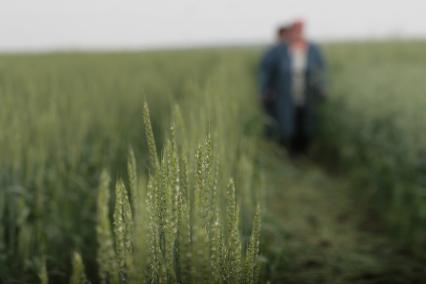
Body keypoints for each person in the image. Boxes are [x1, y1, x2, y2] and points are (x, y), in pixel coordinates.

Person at [258, 20, 327, 156]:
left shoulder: (312, 49)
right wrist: (265, 90)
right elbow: (266, 70)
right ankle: (289, 153)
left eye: (300, 30)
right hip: (285, 94)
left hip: (307, 94)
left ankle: (304, 153)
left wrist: (322, 86)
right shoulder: (278, 50)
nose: (298, 33)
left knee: (306, 122)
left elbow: (321, 70)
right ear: (291, 31)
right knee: (287, 123)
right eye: (295, 30)